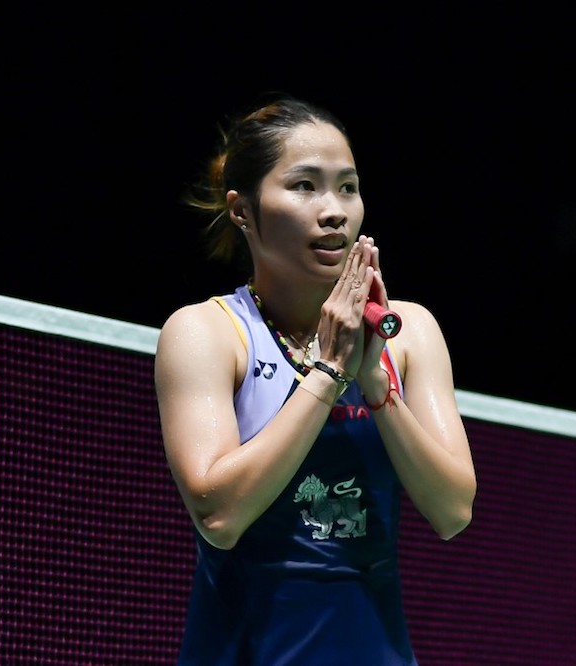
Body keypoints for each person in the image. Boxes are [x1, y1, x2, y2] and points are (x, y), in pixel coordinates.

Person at [154, 93, 477, 665]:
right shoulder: (207, 333)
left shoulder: (409, 333)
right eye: (305, 186)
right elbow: (220, 516)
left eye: (347, 187)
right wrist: (329, 372)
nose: (334, 211)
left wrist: (375, 382)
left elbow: (453, 511)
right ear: (242, 211)